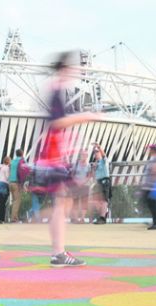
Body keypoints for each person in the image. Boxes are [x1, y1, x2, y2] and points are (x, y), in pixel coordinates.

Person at [35, 51, 101, 266]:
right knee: (63, 204)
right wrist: (86, 117)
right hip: (52, 160)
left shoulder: (56, 90)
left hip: (53, 159)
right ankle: (58, 252)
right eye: (73, 68)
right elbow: (57, 123)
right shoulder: (55, 91)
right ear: (65, 68)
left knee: (63, 204)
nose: (76, 72)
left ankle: (58, 251)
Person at [70, 148, 93, 223]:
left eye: (86, 155)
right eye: (83, 154)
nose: (84, 156)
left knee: (84, 202)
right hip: (76, 185)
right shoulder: (76, 164)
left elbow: (89, 175)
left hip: (85, 185)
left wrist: (83, 182)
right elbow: (72, 174)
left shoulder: (88, 165)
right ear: (80, 155)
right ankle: (76, 219)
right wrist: (77, 182)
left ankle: (82, 219)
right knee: (75, 201)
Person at [90, 143, 111, 224]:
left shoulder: (104, 160)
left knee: (103, 200)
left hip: (105, 181)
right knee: (96, 201)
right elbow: (92, 176)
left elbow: (104, 155)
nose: (96, 154)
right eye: (95, 153)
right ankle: (103, 214)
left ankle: (102, 218)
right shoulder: (96, 163)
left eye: (97, 152)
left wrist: (99, 147)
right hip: (98, 182)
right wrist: (93, 169)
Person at [0, 155, 11, 223]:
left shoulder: (0, 166)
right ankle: (1, 219)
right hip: (3, 186)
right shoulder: (6, 168)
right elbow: (7, 177)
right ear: (8, 161)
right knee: (2, 203)